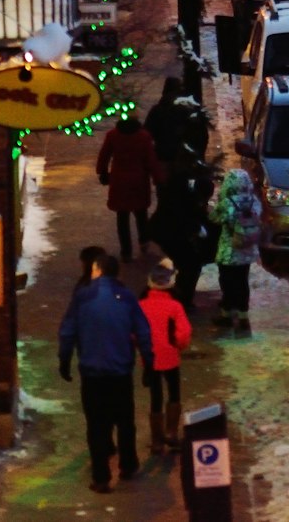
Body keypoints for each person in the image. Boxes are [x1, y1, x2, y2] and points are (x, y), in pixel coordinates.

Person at [58, 254, 153, 493]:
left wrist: (64, 359)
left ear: (98, 270)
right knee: (124, 421)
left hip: (93, 374)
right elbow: (143, 331)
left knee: (97, 425)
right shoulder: (127, 297)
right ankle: (128, 464)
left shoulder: (82, 297)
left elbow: (68, 330)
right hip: (120, 371)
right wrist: (148, 363)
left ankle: (101, 476)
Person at [148, 147, 215, 311]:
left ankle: (181, 297)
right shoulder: (182, 189)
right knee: (189, 266)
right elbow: (182, 214)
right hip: (171, 231)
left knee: (187, 265)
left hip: (168, 231)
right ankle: (181, 301)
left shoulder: (179, 182)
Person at [138, 259, 193, 453]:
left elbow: (133, 331)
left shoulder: (141, 305)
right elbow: (184, 333)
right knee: (174, 392)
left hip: (150, 358)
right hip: (170, 356)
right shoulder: (175, 306)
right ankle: (171, 432)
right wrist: (178, 346)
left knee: (155, 396)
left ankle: (157, 440)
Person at [97, 115, 163, 262]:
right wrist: (158, 178)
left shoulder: (113, 135)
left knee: (122, 216)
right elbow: (151, 159)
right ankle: (144, 241)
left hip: (119, 179)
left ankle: (126, 250)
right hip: (138, 180)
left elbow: (104, 155)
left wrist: (102, 172)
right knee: (141, 214)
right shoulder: (144, 137)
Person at [211, 168, 262, 334]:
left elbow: (215, 219)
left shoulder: (227, 203)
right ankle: (243, 316)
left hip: (229, 251)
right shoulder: (253, 200)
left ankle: (227, 314)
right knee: (242, 283)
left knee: (227, 283)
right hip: (246, 250)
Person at [144, 77, 209, 166]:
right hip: (179, 157)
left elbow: (147, 133)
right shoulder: (184, 110)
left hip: (166, 156)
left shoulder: (157, 110)